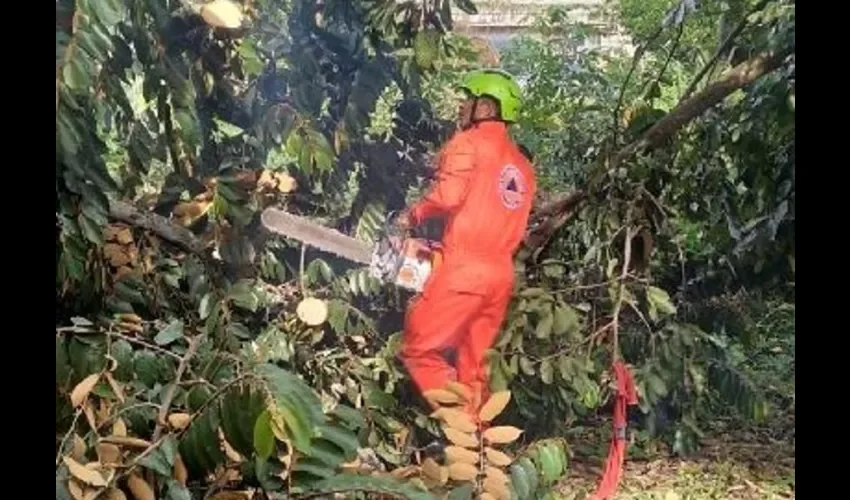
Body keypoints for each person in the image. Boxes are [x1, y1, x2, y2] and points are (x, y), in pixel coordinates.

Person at [395, 69, 537, 419]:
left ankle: (461, 426)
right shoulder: (521, 165)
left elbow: (448, 196)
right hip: (500, 274)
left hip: (464, 269)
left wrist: (410, 216)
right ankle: (479, 456)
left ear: (486, 108)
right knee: (473, 368)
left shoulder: (467, 143)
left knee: (419, 350)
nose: (462, 105)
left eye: (468, 99)